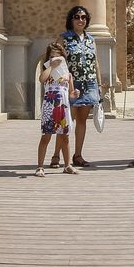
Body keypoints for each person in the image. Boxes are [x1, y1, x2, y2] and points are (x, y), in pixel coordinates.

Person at [61, 5, 101, 169]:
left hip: (89, 83)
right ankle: (58, 155)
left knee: (82, 120)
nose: (80, 20)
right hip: (71, 83)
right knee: (66, 120)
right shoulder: (64, 38)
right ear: (71, 20)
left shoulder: (91, 39)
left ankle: (77, 155)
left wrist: (99, 85)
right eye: (77, 17)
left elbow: (95, 63)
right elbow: (57, 60)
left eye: (83, 17)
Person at [34, 41, 78, 177]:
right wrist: (51, 67)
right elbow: (42, 79)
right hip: (49, 105)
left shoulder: (68, 75)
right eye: (52, 55)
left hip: (63, 106)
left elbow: (70, 93)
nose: (56, 58)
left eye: (58, 55)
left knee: (65, 137)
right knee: (46, 136)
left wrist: (75, 93)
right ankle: (40, 167)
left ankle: (67, 165)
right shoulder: (47, 71)